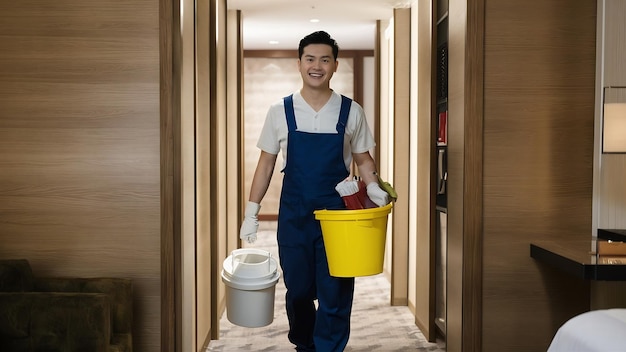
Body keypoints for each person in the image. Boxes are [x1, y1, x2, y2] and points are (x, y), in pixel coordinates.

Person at [240, 30, 389, 352]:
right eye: (310, 59)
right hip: (295, 215)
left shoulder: (351, 111)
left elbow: (363, 159)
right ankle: (304, 344)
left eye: (325, 59)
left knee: (336, 290)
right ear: (299, 64)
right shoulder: (280, 111)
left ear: (335, 65)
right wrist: (251, 212)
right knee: (298, 290)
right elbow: (266, 164)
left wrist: (374, 186)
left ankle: (329, 347)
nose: (317, 65)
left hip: (338, 218)